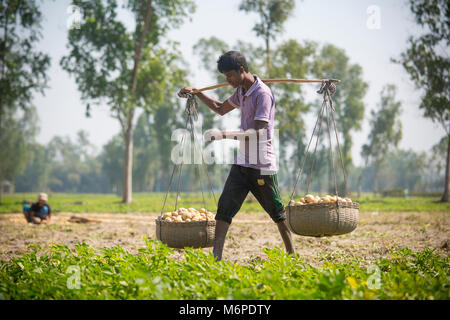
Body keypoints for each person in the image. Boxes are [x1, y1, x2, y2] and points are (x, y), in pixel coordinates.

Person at [178, 50, 295, 261]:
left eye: (230, 75)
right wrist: (196, 92)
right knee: (224, 209)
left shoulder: (262, 94)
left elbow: (257, 133)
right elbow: (220, 108)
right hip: (242, 163)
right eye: (225, 76)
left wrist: (222, 135)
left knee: (276, 211)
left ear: (242, 70)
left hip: (262, 164)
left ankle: (292, 253)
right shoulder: (241, 91)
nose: (228, 80)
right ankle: (216, 258)